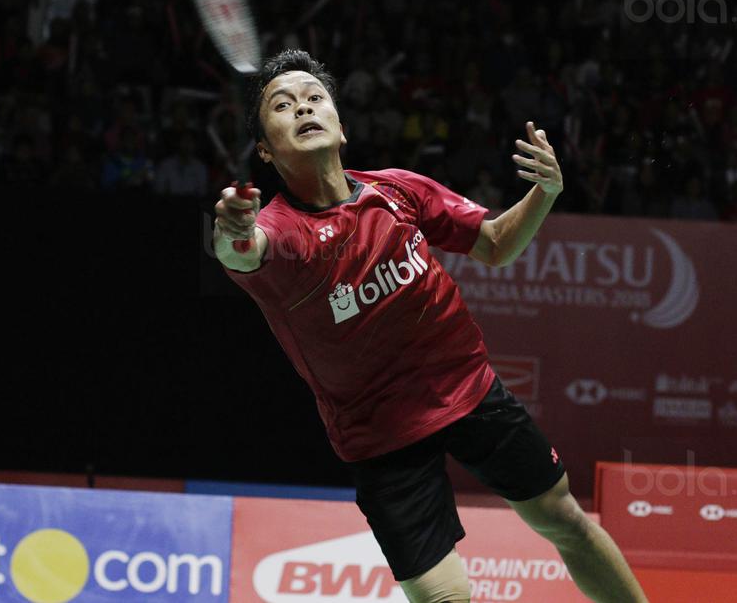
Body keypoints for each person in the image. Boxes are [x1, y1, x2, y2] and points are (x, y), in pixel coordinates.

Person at [212, 50, 646, 603]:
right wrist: (233, 229)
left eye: (314, 97)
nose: (303, 107)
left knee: (566, 520)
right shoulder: (281, 229)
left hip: (467, 387)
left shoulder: (396, 190)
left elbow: (494, 245)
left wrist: (546, 193)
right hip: (380, 434)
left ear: (341, 128)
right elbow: (246, 250)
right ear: (266, 151)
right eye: (283, 104)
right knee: (445, 599)